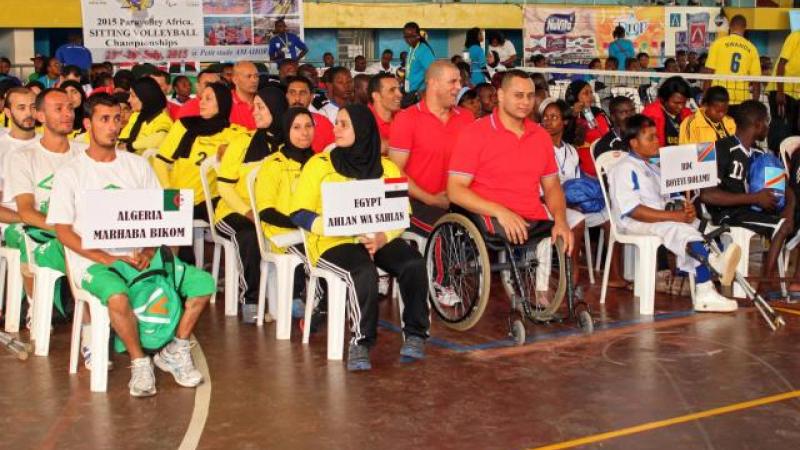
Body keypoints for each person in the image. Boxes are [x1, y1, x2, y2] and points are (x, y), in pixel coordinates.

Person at [47, 93, 215, 397]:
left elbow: (161, 213)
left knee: (203, 284)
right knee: (117, 297)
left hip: (142, 256)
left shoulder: (137, 166)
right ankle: (139, 362)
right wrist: (105, 258)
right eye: (104, 119)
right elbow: (63, 231)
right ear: (87, 124)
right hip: (96, 263)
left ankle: (174, 350)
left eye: (117, 119)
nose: (113, 126)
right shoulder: (70, 173)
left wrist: (150, 249)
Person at [290, 104, 430, 371]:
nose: (336, 129)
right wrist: (333, 226)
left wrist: (383, 236)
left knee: (412, 263)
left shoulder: (387, 168)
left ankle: (415, 334)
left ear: (363, 130)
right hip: (333, 241)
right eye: (336, 123)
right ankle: (361, 342)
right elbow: (298, 213)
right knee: (363, 270)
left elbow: (402, 213)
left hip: (377, 235)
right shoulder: (319, 165)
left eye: (344, 124)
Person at [447, 70, 573, 304]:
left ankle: (544, 294)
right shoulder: (475, 133)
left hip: (529, 212)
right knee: (515, 232)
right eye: (518, 95)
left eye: (530, 96)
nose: (525, 102)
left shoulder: (540, 136)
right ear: (501, 96)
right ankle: (524, 297)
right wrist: (500, 211)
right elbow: (455, 190)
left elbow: (552, 185)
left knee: (562, 233)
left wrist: (561, 219)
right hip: (487, 213)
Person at [609, 114, 740, 312]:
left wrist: (683, 208)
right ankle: (705, 289)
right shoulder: (623, 168)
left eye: (656, 136)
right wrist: (675, 217)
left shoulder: (653, 167)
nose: (656, 141)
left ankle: (713, 269)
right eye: (650, 138)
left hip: (658, 218)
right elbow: (633, 210)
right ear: (634, 143)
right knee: (680, 230)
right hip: (633, 222)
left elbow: (669, 199)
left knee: (702, 226)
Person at [699, 100, 800, 293]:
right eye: (767, 123)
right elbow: (707, 195)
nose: (768, 127)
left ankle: (769, 279)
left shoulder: (760, 153)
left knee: (788, 221)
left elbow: (785, 187)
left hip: (748, 210)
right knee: (782, 226)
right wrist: (754, 198)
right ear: (758, 124)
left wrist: (789, 207)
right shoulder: (721, 149)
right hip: (726, 213)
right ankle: (765, 283)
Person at [4, 88, 84, 318]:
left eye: (70, 108)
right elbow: (27, 212)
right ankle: (37, 307)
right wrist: (67, 229)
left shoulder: (84, 153)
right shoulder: (22, 156)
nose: (67, 114)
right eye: (58, 109)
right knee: (22, 234)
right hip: (38, 226)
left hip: (74, 226)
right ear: (42, 117)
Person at [215, 87, 287, 322]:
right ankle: (251, 300)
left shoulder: (288, 143)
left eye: (261, 107)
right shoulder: (241, 143)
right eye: (253, 106)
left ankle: (295, 297)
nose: (254, 112)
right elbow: (224, 187)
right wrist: (247, 211)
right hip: (234, 211)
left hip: (271, 211)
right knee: (248, 235)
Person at [154, 82, 247, 244]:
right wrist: (170, 195)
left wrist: (231, 148)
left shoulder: (235, 133)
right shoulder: (183, 125)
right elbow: (160, 161)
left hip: (211, 201)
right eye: (201, 98)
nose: (201, 103)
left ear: (222, 103)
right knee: (172, 232)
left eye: (208, 99)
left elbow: (256, 142)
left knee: (242, 223)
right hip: (177, 197)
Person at [389, 61, 474, 236]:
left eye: (459, 82)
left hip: (460, 201)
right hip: (417, 204)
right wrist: (432, 199)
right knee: (447, 233)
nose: (459, 87)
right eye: (453, 82)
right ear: (433, 83)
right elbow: (394, 172)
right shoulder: (406, 119)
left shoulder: (466, 118)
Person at [541, 99, 610, 287]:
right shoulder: (538, 147)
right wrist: (568, 203)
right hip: (547, 201)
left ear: (564, 121)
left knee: (609, 218)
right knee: (577, 219)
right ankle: (573, 267)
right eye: (545, 117)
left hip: (572, 199)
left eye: (553, 117)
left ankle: (614, 274)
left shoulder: (571, 150)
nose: (547, 121)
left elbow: (578, 179)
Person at [254, 107, 315, 316]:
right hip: (280, 232)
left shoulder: (320, 163)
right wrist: (300, 223)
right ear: (287, 130)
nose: (304, 133)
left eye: (308, 126)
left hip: (312, 229)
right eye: (296, 127)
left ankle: (323, 300)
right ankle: (298, 296)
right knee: (309, 250)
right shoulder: (274, 164)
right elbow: (266, 211)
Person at [704, 15, 761, 113]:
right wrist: (755, 105)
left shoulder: (718, 44)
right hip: (741, 99)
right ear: (745, 27)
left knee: (718, 127)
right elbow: (757, 81)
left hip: (718, 96)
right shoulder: (752, 48)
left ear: (729, 26)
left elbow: (709, 73)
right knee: (737, 128)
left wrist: (705, 98)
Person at [0, 87, 36, 226]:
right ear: (8, 112)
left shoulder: (50, 143)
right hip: (12, 227)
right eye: (21, 108)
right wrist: (31, 220)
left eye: (33, 107)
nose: (29, 113)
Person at [563, 79, 609, 176]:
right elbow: (566, 139)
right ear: (573, 97)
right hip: (581, 168)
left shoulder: (598, 112)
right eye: (585, 93)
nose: (590, 96)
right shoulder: (567, 116)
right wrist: (574, 115)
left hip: (605, 161)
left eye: (591, 93)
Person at [118, 77, 173, 155]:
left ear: (145, 97)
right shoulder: (136, 116)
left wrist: (131, 146)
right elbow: (122, 139)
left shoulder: (162, 119)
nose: (129, 100)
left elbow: (161, 137)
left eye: (133, 96)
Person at [285, 75, 334, 152]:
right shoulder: (277, 122)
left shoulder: (323, 123)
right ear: (287, 96)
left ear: (311, 97)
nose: (297, 98)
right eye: (292, 93)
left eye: (302, 93)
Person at [641, 76, 692, 147]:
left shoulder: (687, 114)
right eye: (676, 103)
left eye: (684, 102)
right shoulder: (651, 115)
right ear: (663, 99)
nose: (681, 107)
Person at [767, 28, 800, 137]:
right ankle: (776, 153)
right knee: (781, 129)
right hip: (781, 89)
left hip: (796, 93)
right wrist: (780, 92)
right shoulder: (796, 36)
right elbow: (782, 63)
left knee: (794, 131)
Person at [367, 73, 402, 154]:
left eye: (399, 89)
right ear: (376, 96)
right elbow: (377, 147)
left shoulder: (404, 115)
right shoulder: (361, 117)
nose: (400, 94)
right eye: (392, 90)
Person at [402, 22, 435, 105]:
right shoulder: (411, 48)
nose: (409, 39)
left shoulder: (424, 50)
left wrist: (422, 91)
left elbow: (433, 72)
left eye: (412, 36)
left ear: (418, 35)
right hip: (410, 91)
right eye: (406, 37)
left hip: (419, 94)